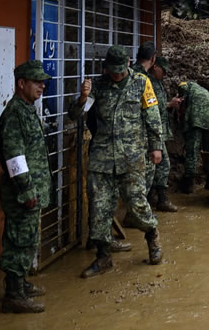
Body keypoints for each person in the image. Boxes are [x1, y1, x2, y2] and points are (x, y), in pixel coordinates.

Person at [69, 46, 164, 277]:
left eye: (121, 72)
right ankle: (103, 258)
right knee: (99, 208)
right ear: (106, 68)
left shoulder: (142, 82)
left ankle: (152, 237)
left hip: (131, 156)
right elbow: (75, 115)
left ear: (129, 63)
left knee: (137, 204)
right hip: (102, 158)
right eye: (113, 72)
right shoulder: (98, 87)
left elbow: (152, 115)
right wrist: (82, 97)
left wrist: (156, 146)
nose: (117, 76)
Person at [0, 61, 52, 313]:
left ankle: (21, 284)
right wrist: (27, 189)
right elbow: (14, 157)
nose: (42, 86)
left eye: (43, 81)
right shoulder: (14, 114)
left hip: (32, 190)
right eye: (36, 81)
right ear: (21, 83)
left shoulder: (27, 109)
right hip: (21, 192)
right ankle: (13, 294)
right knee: (19, 240)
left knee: (27, 238)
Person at [134, 45, 175, 213]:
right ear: (153, 60)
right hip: (144, 134)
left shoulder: (134, 75)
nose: (164, 74)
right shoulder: (143, 79)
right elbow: (153, 111)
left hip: (143, 133)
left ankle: (148, 203)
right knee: (151, 168)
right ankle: (143, 208)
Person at [170, 72, 209, 194]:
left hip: (195, 120)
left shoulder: (186, 85)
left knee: (192, 151)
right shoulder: (206, 92)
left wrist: (178, 96)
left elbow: (181, 99)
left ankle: (189, 184)